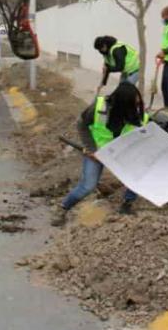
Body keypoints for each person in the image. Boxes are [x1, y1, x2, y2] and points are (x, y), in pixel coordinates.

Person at [52, 82, 147, 225]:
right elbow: (81, 125)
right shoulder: (99, 107)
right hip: (97, 153)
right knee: (88, 186)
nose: (137, 107)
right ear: (121, 104)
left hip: (121, 154)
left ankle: (127, 204)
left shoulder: (139, 116)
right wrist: (92, 149)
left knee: (136, 176)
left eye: (138, 103)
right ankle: (63, 208)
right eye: (133, 104)